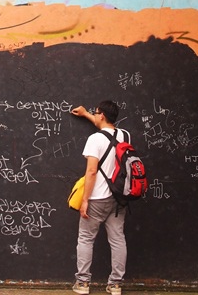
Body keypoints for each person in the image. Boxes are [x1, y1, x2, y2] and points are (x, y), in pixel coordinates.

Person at [70, 100, 129, 295]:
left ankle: (83, 283)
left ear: (102, 115)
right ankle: (115, 285)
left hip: (97, 198)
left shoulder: (95, 139)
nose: (95, 115)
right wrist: (86, 114)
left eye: (96, 113)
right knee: (118, 239)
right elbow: (104, 127)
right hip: (119, 198)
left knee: (86, 239)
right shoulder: (124, 135)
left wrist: (85, 199)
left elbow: (92, 171)